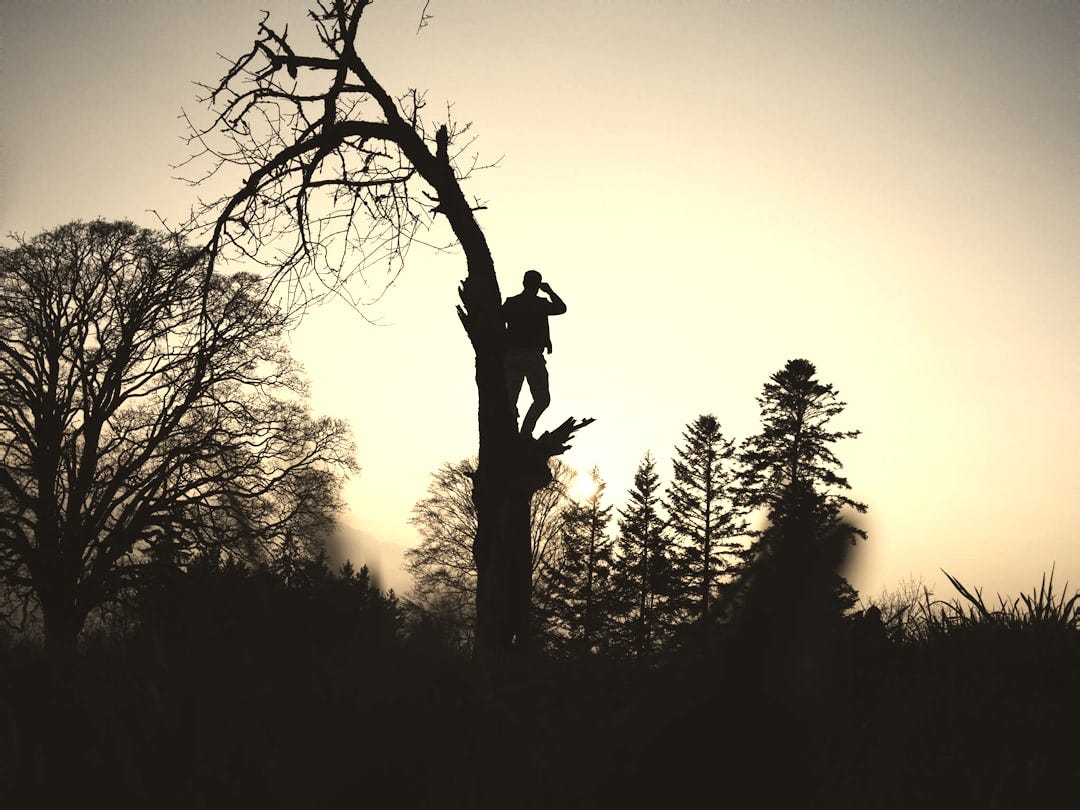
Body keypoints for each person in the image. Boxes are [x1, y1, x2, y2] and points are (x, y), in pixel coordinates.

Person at [502, 270, 567, 436]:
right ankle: (524, 433)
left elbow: (497, 321)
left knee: (511, 400)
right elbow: (561, 308)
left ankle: (516, 433)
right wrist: (550, 291)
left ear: (523, 283)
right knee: (542, 399)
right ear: (538, 285)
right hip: (531, 357)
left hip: (512, 357)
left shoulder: (512, 302)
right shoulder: (540, 303)